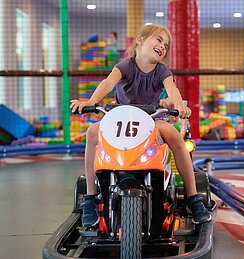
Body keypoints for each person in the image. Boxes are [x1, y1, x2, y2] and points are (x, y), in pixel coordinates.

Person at [70, 24, 212, 227]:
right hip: (119, 117)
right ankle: (91, 198)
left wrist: (179, 105)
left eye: (166, 45)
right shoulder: (125, 66)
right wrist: (90, 103)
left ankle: (193, 197)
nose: (162, 46)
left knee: (174, 136)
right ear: (139, 41)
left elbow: (172, 88)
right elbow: (108, 83)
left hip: (151, 117)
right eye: (158, 40)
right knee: (92, 132)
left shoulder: (162, 70)